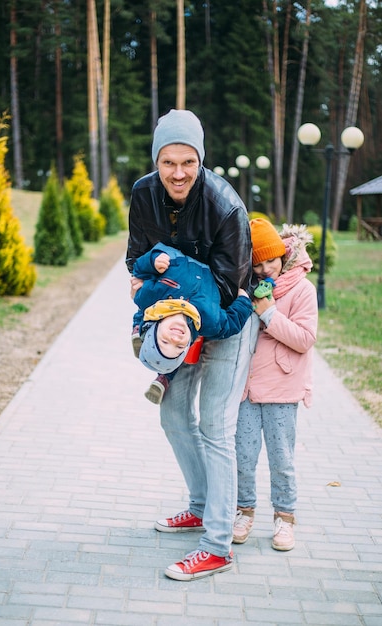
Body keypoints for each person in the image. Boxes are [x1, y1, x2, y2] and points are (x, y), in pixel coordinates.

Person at [126, 108, 258, 581]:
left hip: (227, 319)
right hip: (178, 315)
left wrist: (172, 288)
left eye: (187, 162)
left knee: (216, 427)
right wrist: (160, 306)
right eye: (167, 162)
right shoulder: (143, 194)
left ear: (201, 160)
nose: (177, 173)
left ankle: (218, 545)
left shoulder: (227, 207)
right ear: (156, 161)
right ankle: (202, 507)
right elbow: (134, 260)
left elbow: (228, 290)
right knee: (174, 413)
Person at [233, 219, 318, 551]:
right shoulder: (247, 289)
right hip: (248, 390)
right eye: (257, 263)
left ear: (283, 254)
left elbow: (305, 339)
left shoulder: (302, 290)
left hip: (282, 389)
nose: (265, 268)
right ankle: (244, 512)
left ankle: (285, 518)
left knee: (282, 457)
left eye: (271, 259)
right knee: (243, 455)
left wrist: (269, 314)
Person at [131, 242, 253, 404]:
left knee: (142, 309)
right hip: (212, 261)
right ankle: (164, 376)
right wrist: (244, 300)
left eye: (165, 341)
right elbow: (232, 324)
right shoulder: (209, 323)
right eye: (179, 347)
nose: (175, 340)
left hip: (178, 250)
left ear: (155, 329)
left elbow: (138, 269)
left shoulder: (149, 297)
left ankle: (137, 329)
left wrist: (153, 261)